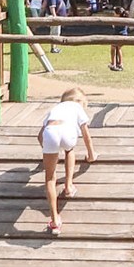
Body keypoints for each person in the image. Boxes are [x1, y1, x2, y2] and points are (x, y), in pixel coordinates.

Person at [37, 88, 97, 234]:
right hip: (67, 132)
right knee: (69, 150)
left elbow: (40, 136)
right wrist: (91, 154)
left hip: (50, 132)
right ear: (81, 102)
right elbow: (86, 135)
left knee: (50, 178)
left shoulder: (55, 109)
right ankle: (69, 186)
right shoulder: (77, 108)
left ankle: (54, 220)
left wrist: (49, 153)